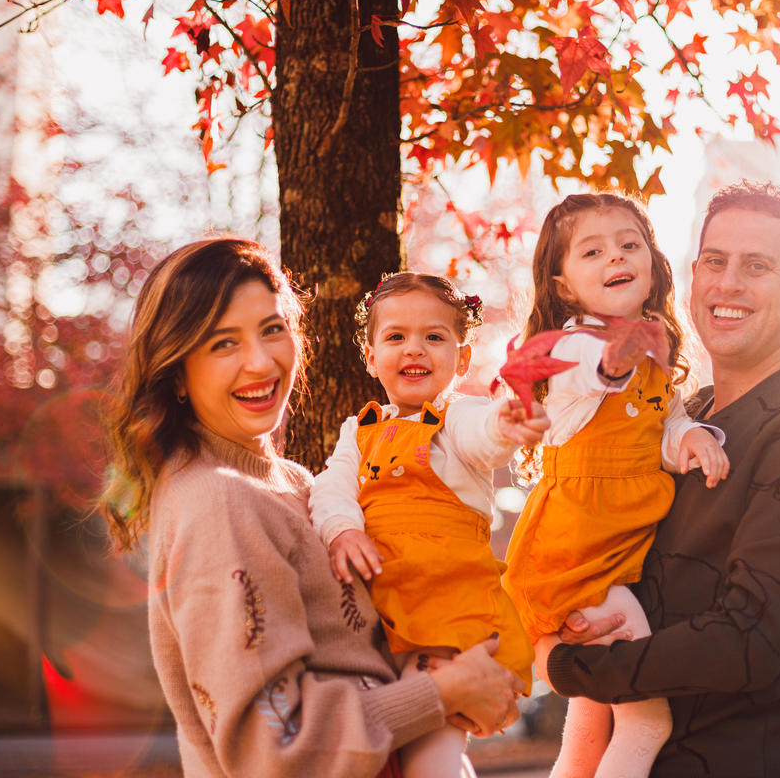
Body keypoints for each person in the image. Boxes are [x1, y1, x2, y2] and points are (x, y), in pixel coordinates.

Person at [95, 239, 523, 778]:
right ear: (178, 371)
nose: (260, 360)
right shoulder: (218, 501)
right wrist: (441, 692)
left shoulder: (297, 483)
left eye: (272, 329)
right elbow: (275, 751)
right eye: (223, 343)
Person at [533, 181, 780, 778]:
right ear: (691, 276)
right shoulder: (679, 416)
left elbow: (748, 639)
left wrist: (567, 667)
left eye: (757, 266)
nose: (728, 284)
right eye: (715, 262)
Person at [502, 193, 730, 778]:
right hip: (579, 559)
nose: (616, 257)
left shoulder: (654, 353)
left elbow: (660, 425)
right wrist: (622, 353)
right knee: (648, 720)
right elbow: (599, 372)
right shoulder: (570, 348)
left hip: (608, 554)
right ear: (563, 287)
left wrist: (691, 437)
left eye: (630, 245)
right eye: (593, 251)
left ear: (651, 262)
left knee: (591, 713)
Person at [309, 271, 544, 778]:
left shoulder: (458, 416)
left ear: (461, 359)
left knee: (427, 757)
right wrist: (343, 530)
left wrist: (506, 425)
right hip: (382, 616)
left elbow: (485, 436)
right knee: (401, 752)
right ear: (371, 356)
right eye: (396, 337)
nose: (415, 349)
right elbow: (331, 487)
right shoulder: (360, 430)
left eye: (434, 337)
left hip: (443, 615)